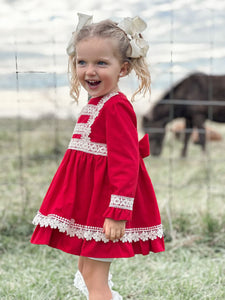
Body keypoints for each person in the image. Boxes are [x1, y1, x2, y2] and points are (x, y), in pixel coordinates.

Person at [30, 13, 165, 300]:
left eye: (101, 63)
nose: (90, 71)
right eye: (82, 62)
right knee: (85, 270)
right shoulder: (97, 103)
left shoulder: (115, 106)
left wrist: (117, 214)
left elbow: (126, 163)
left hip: (106, 211)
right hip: (89, 208)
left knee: (94, 277)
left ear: (124, 68)